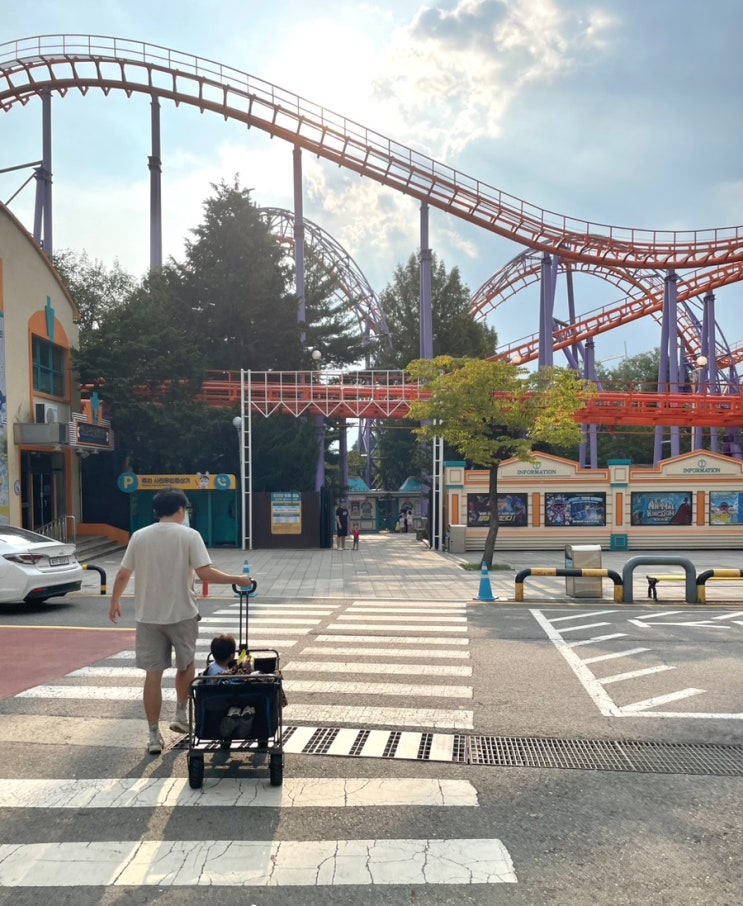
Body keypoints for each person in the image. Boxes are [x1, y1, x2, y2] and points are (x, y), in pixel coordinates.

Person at [109, 488, 256, 755]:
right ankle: (180, 713)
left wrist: (115, 601)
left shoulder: (139, 536)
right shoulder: (189, 535)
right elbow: (205, 573)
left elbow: (123, 574)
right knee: (186, 664)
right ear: (180, 509)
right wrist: (238, 579)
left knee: (153, 674)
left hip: (148, 616)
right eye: (185, 509)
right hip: (182, 614)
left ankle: (153, 735)